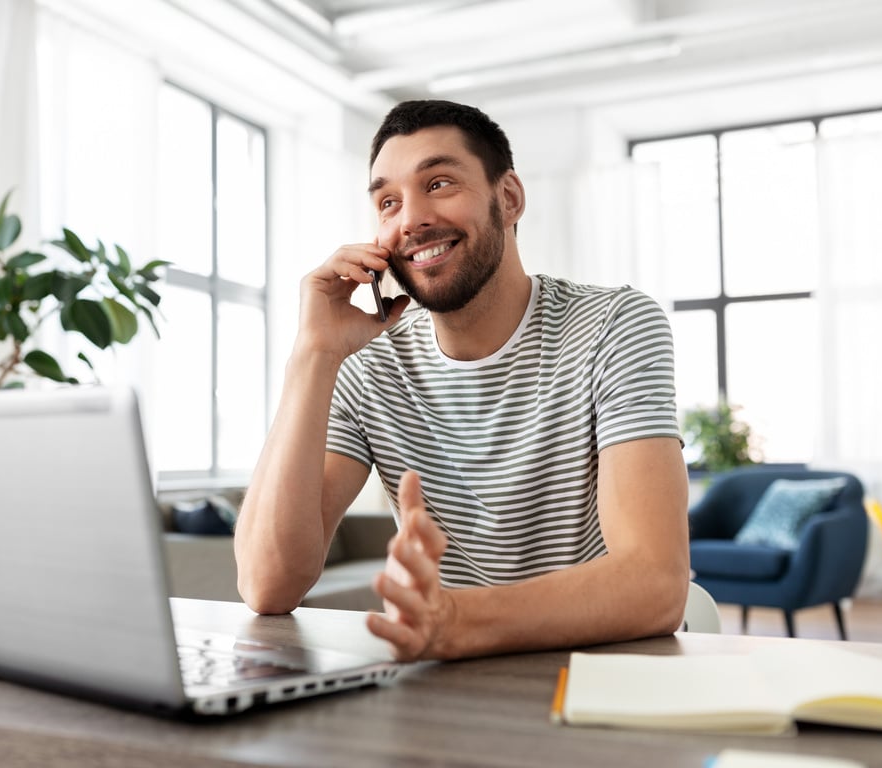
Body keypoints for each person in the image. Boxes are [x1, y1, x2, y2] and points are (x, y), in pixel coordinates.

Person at [234, 100, 689, 662]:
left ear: (509, 198)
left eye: (440, 182)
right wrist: (312, 354)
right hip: (455, 681)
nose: (410, 219)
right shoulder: (368, 365)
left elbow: (655, 584)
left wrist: (452, 622)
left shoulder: (614, 326)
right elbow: (266, 585)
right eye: (388, 202)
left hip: (604, 671)